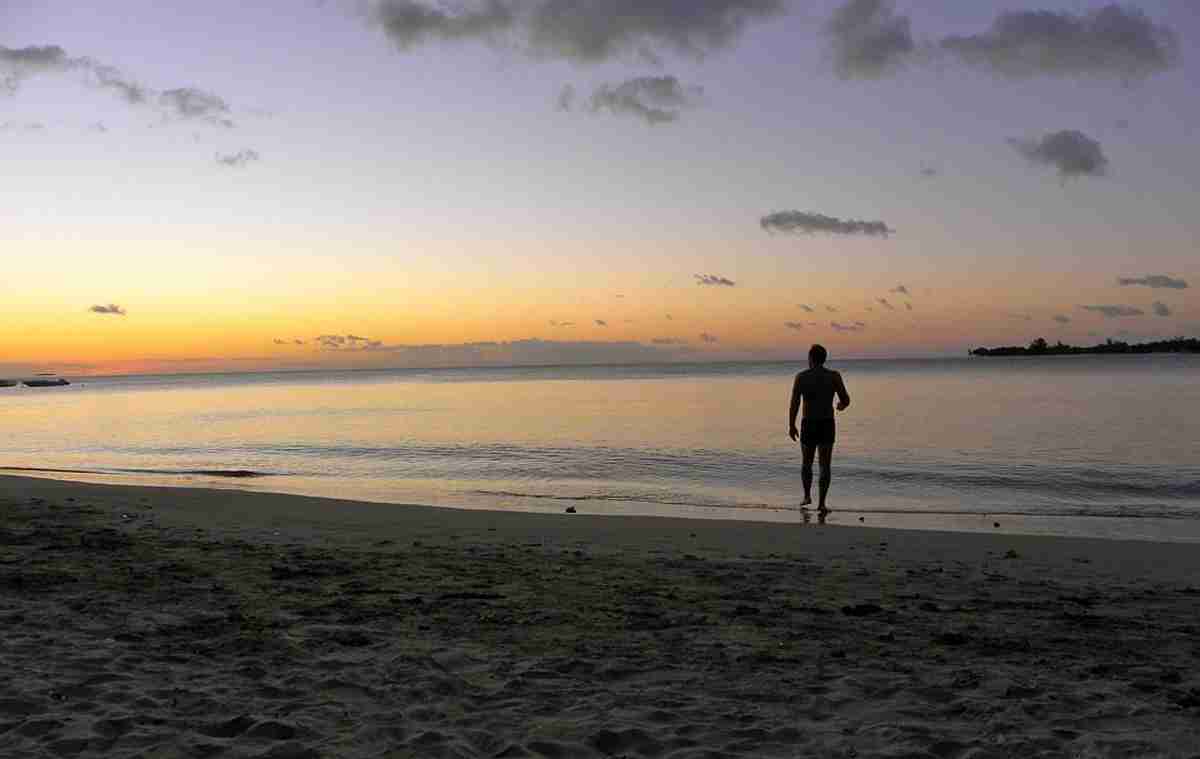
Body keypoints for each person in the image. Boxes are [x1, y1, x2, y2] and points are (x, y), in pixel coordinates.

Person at [788, 344, 850, 515]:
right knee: (825, 465)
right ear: (824, 358)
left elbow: (795, 403)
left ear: (810, 358)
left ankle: (807, 496)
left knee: (806, 463)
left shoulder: (801, 377)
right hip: (826, 423)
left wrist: (791, 424)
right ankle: (822, 503)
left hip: (808, 423)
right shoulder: (833, 376)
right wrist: (841, 405)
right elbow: (846, 399)